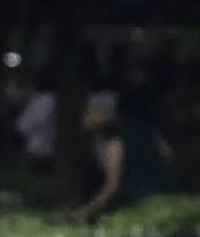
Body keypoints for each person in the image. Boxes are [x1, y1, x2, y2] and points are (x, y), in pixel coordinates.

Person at [72, 90, 174, 222]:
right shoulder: (145, 129)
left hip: (143, 204)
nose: (84, 117)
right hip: (169, 198)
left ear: (104, 113)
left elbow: (113, 187)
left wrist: (85, 211)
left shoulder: (114, 142)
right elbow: (169, 157)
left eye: (89, 112)